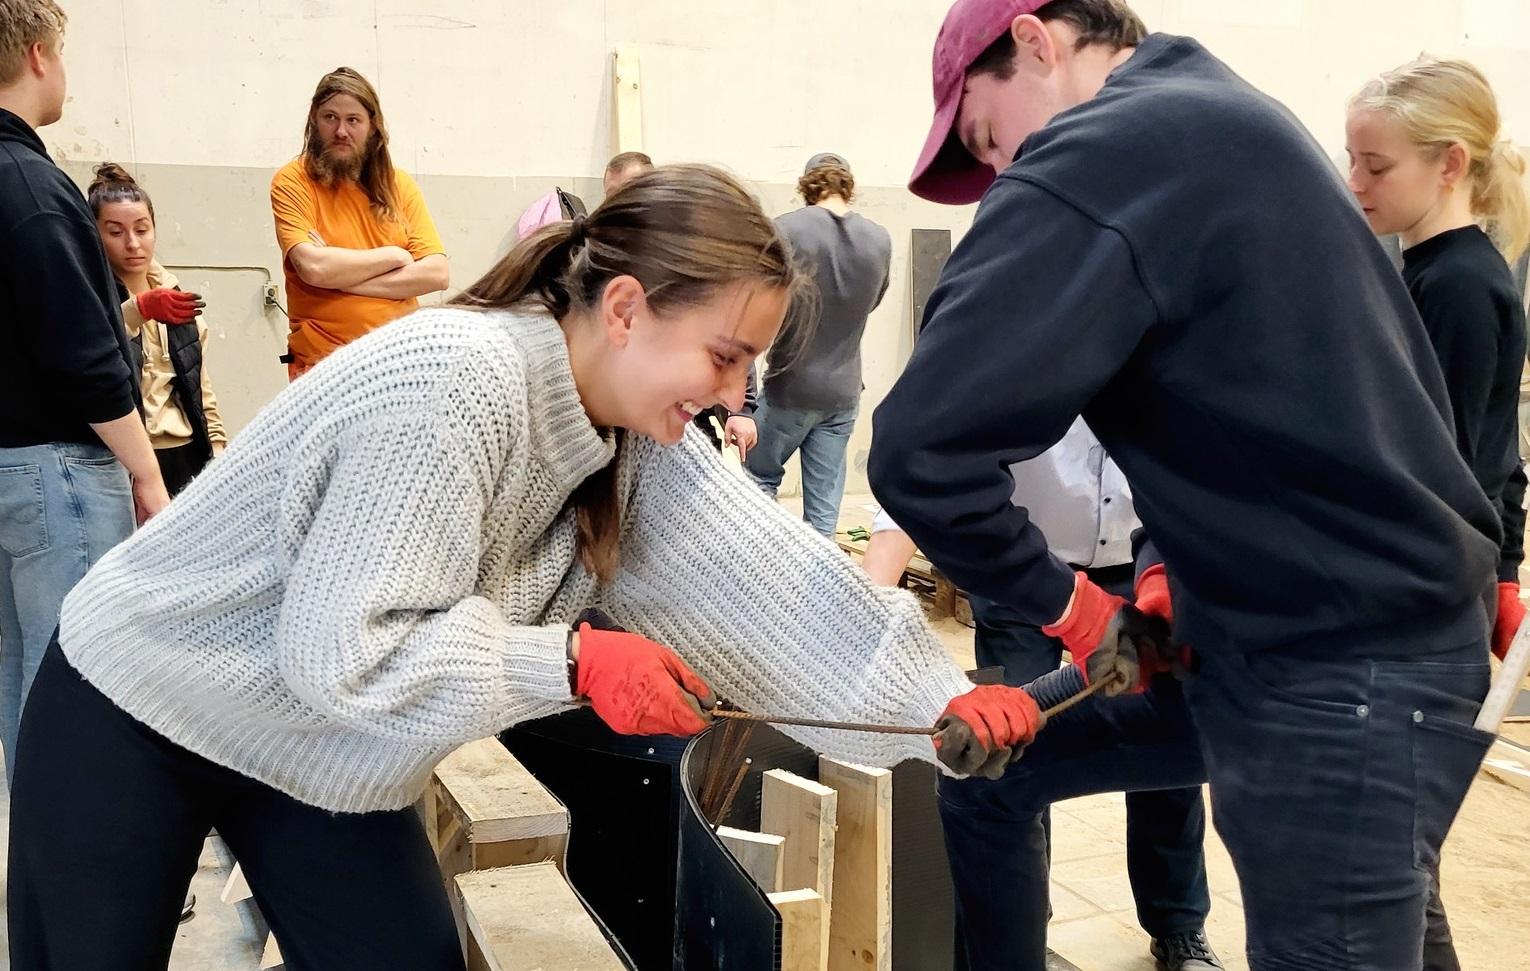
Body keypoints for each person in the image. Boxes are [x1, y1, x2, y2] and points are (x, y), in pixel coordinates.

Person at [7, 164, 1028, 969]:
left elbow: (783, 595)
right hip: (142, 698)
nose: (732, 392)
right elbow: (346, 653)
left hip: (312, 745)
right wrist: (571, 661)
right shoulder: (454, 386)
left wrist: (947, 707)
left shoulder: (639, 441)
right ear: (625, 307)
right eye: (723, 356)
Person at [870, 2, 1501, 969]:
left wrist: (1072, 606)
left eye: (991, 140)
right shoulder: (1217, 114)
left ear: (1036, 43)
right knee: (989, 772)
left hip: (1334, 663)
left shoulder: (1113, 147)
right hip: (1272, 635)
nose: (1004, 176)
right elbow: (1245, 401)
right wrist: (1165, 564)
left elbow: (916, 448)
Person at [864, 419, 1221, 970]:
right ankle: (1026, 931)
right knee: (1009, 755)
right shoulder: (1019, 350)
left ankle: (1177, 925)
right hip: (1023, 577)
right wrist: (870, 604)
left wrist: (1171, 573)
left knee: (1162, 760)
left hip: (1137, 573)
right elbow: (929, 453)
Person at [1345, 55, 1530, 971]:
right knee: (1399, 879)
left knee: (1395, 880)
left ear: (1450, 163)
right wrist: (1506, 569)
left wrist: (1493, 572)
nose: (1356, 184)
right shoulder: (1430, 272)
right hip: (1432, 604)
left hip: (1418, 623)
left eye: (1376, 167)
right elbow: (1498, 463)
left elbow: (1447, 477)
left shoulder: (1457, 286)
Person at [0, 0, 169, 786]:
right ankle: (82, 889)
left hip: (14, 469)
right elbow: (84, 354)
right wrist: (144, 471)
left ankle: (42, 879)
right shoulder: (31, 186)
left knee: (25, 690)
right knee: (77, 685)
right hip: (55, 470)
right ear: (38, 54)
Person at [271, 66, 449, 379]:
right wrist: (395, 257)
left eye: (353, 120)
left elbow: (437, 273)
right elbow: (313, 268)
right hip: (323, 368)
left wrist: (340, 276)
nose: (341, 131)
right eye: (330, 118)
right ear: (314, 118)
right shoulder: (293, 182)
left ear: (372, 126)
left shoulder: (399, 186)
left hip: (402, 363)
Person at [745, 153, 891, 536]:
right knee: (824, 513)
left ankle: (765, 578)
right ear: (848, 186)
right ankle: (819, 588)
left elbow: (758, 300)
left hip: (790, 385)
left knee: (758, 482)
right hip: (844, 391)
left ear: (807, 186)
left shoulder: (786, 230)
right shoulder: (879, 239)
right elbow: (873, 301)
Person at [90, 163, 229, 495]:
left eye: (142, 228)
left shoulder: (177, 296)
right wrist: (139, 309)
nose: (133, 243)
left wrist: (219, 452)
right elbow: (94, 349)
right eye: (115, 231)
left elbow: (201, 387)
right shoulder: (90, 297)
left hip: (185, 450)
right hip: (122, 458)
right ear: (94, 234)